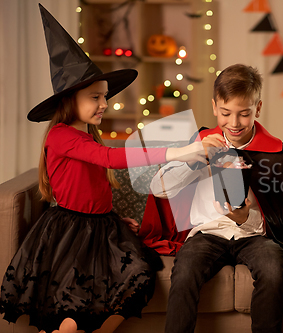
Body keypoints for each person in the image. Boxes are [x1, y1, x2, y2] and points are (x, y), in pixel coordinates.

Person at [0, 5, 205, 333]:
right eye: (95, 97)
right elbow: (111, 160)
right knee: (76, 300)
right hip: (70, 232)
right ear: (70, 100)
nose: (104, 104)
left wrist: (110, 214)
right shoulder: (61, 136)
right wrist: (182, 150)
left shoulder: (88, 134)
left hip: (102, 226)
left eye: (105, 97)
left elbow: (94, 182)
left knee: (140, 277)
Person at [140, 64, 283, 333]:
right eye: (226, 113)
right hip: (207, 234)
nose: (234, 123)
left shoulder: (276, 152)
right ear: (215, 107)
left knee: (273, 267)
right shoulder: (200, 142)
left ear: (257, 109)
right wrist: (192, 159)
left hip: (254, 237)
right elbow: (159, 189)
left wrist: (245, 217)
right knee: (185, 270)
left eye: (244, 114)